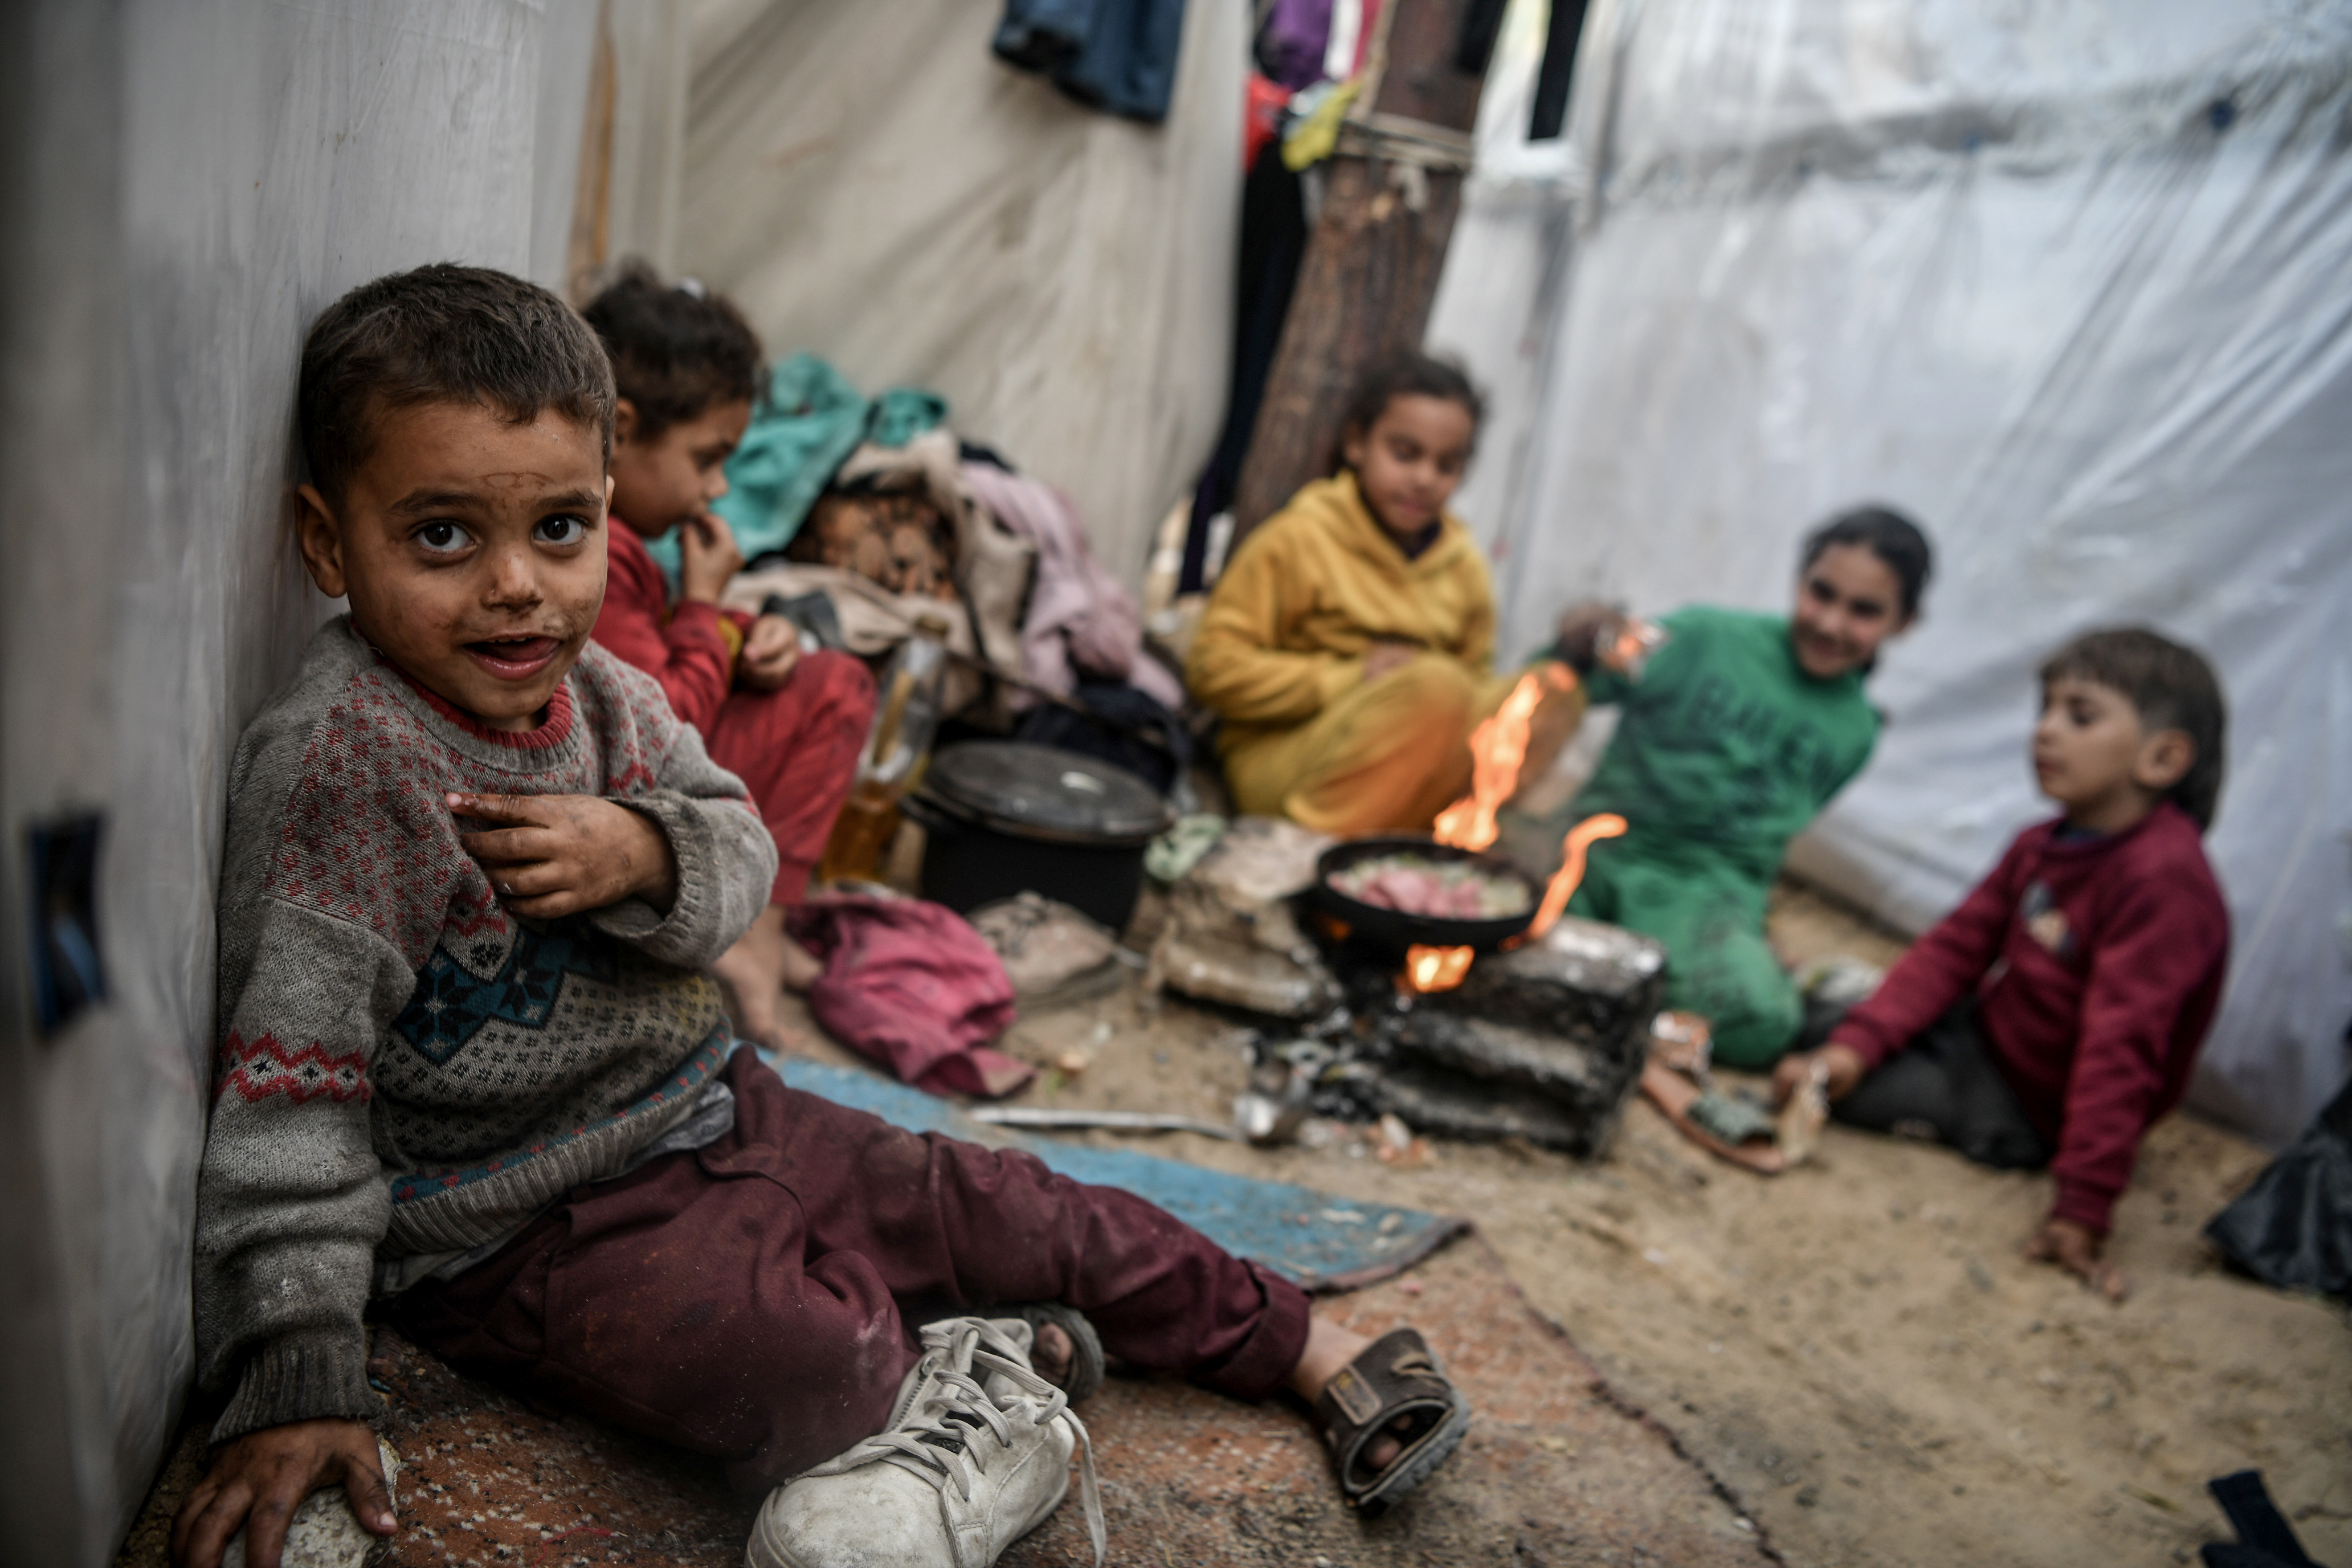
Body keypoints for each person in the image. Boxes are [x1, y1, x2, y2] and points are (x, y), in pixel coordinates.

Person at [172, 266, 1469, 1568]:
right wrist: (296, 1372)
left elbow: (736, 846)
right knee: (797, 1356)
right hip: (518, 1225)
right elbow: (292, 1100)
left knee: (1007, 1203)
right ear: (328, 542)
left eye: (559, 529)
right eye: (444, 538)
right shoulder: (345, 768)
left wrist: (645, 852)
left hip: (717, 1102)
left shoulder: (611, 696)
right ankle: (989, 1372)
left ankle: (1302, 1341)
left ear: (609, 511)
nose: (517, 585)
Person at [1773, 628, 2230, 1302]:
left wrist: (2083, 1204)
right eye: (2045, 709)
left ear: (2163, 758)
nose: (2045, 731)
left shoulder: (2163, 883)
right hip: (1985, 1030)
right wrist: (1854, 1046)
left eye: (2080, 715)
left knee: (1851, 1096)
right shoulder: (2044, 842)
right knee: (1808, 1025)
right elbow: (1954, 950)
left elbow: (2121, 1050)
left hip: (2029, 1102)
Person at [1517, 508, 1933, 1068]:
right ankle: (1627, 1002)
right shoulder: (1702, 636)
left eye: (1864, 611)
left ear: (1904, 623)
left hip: (1699, 897)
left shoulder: (1855, 732)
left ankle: (1596, 999)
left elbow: (1767, 841)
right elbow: (1559, 683)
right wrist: (1579, 641)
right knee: (1492, 899)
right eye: (1821, 594)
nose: (1832, 624)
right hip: (1594, 849)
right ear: (1799, 580)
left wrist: (1748, 930)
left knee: (1764, 1022)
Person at [578, 265, 876, 1046]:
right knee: (840, 688)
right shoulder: (602, 553)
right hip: (627, 797)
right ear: (622, 431)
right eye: (708, 459)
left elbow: (653, 651)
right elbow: (659, 726)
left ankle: (765, 918)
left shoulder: (623, 544)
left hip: (636, 776)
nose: (716, 490)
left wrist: (743, 637)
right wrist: (707, 606)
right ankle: (757, 931)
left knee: (818, 674)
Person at [1186, 352, 1570, 835]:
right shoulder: (1301, 539)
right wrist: (1352, 677)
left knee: (1553, 690)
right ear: (1357, 443)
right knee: (1435, 688)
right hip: (1290, 762)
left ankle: (1428, 836)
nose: (1424, 479)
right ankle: (1307, 849)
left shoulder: (1464, 566)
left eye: (1447, 465)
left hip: (1411, 765)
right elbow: (1213, 669)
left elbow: (1474, 692)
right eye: (1405, 454)